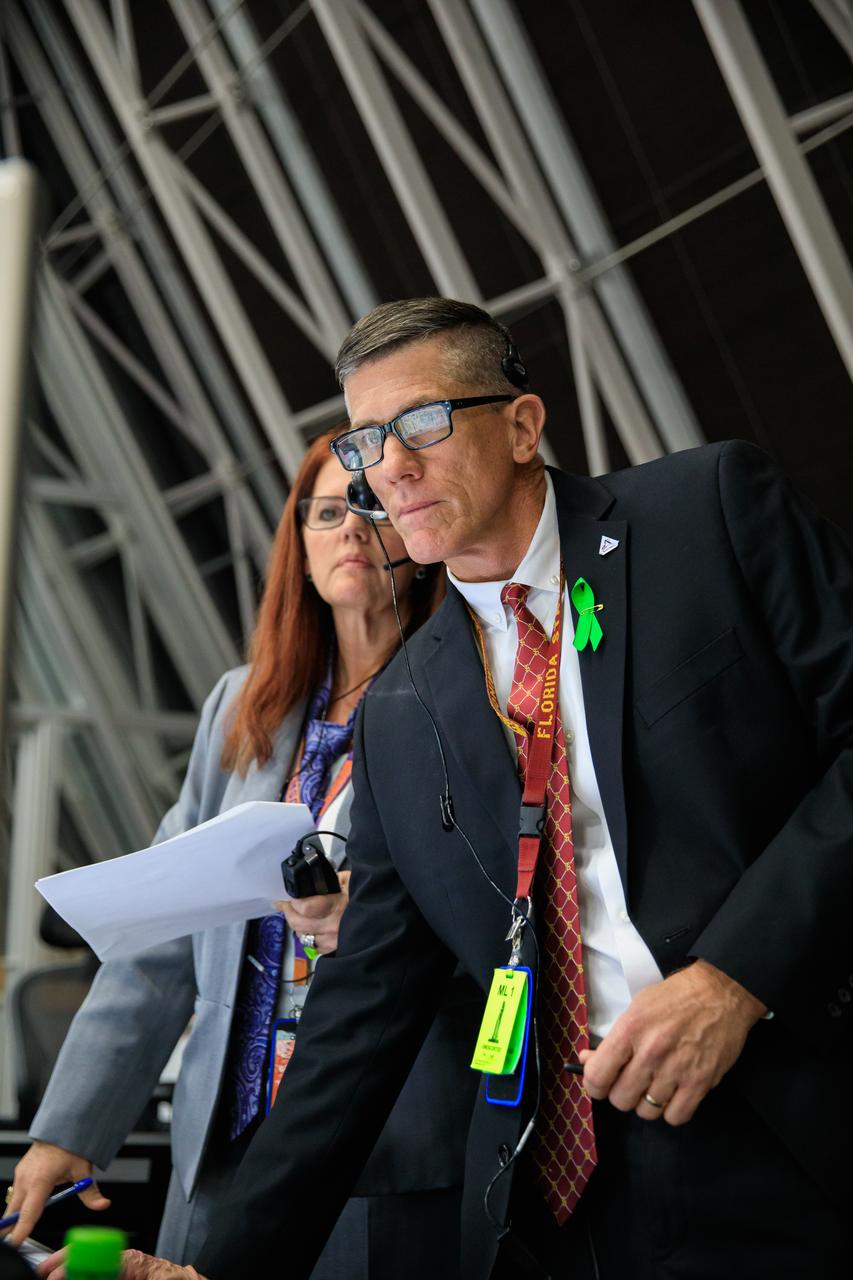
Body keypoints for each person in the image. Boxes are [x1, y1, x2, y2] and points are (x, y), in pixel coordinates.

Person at [35, 296, 853, 1280]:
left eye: (422, 422)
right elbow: (361, 1009)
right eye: (365, 440)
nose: (390, 465)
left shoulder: (704, 514)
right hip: (558, 1194)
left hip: (786, 1120)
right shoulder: (406, 704)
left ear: (521, 425)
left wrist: (733, 977)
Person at [7, 427, 481, 1279]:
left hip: (387, 1142)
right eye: (326, 512)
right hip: (227, 1140)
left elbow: (505, 913)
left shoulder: (467, 700)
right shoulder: (243, 705)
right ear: (298, 547)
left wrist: (378, 923)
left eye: (371, 505)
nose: (350, 528)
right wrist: (69, 1129)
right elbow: (159, 937)